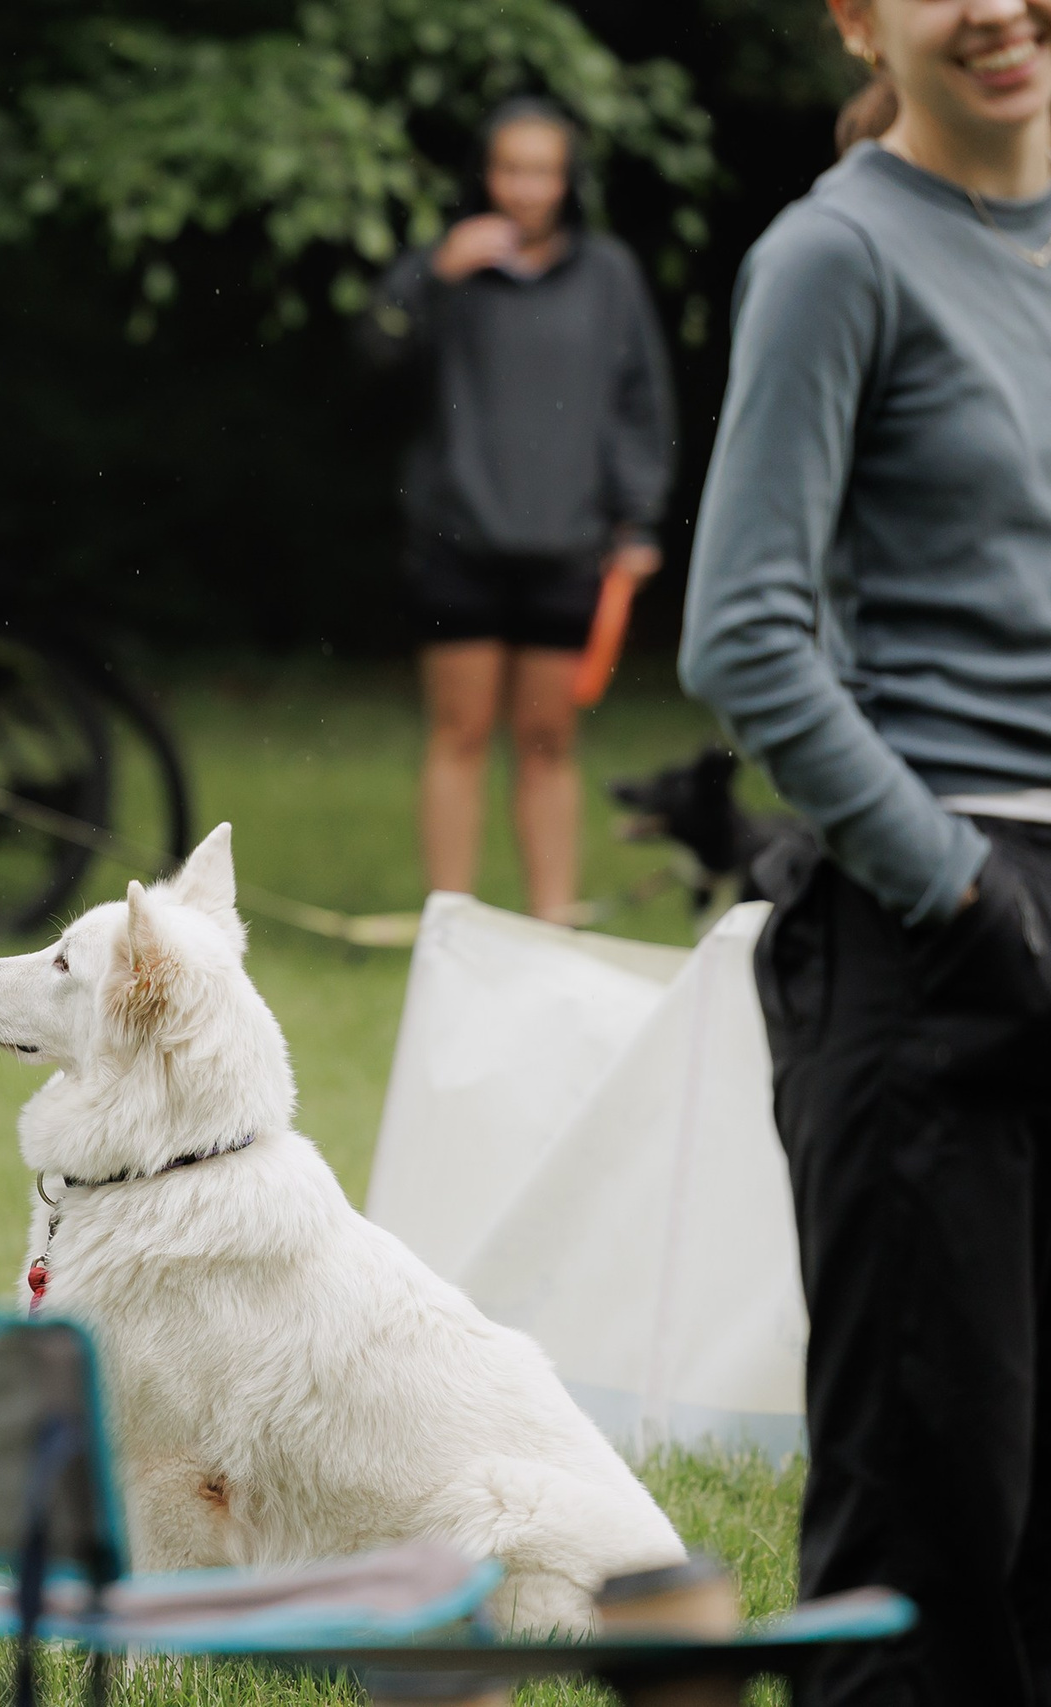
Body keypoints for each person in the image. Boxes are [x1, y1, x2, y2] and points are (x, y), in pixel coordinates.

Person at [680, 0, 1051, 1698]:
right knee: (931, 1542)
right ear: (858, 18)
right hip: (932, 939)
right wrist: (958, 886)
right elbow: (743, 635)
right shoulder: (837, 261)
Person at [361, 99, 677, 921]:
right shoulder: (451, 271)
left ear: (567, 182)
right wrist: (432, 271)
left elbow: (640, 399)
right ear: (486, 175)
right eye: (511, 168)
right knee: (459, 737)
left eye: (544, 170)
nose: (527, 188)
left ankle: (550, 927)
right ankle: (451, 928)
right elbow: (375, 347)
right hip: (458, 539)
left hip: (569, 545)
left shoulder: (608, 273)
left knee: (547, 746)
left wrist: (638, 520)